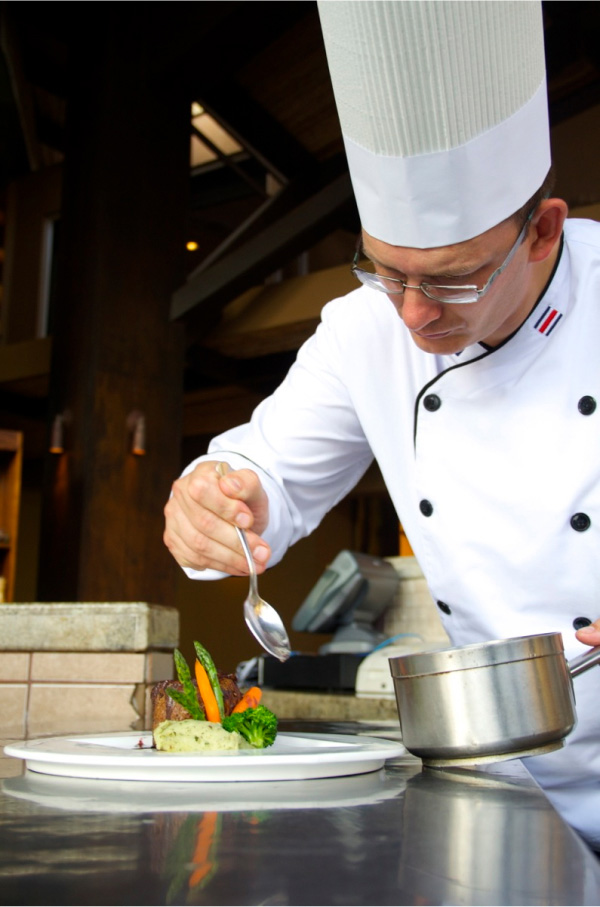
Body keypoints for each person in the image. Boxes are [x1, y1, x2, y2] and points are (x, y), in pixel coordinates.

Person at [164, 1, 600, 845]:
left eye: (454, 280)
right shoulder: (362, 330)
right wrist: (211, 501)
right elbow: (262, 472)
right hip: (505, 777)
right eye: (385, 269)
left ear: (542, 232)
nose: (411, 313)